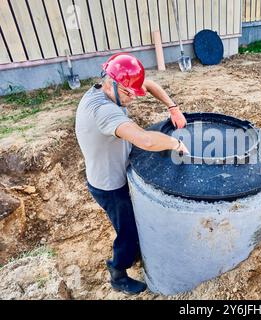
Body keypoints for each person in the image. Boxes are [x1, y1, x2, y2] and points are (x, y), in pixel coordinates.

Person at [75, 53, 189, 294]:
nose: (133, 99)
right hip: (109, 185)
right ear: (111, 83)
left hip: (115, 167)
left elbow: (147, 84)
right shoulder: (103, 112)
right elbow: (145, 140)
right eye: (129, 93)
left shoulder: (109, 86)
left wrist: (173, 108)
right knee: (127, 231)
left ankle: (134, 251)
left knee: (132, 221)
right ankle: (118, 273)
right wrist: (175, 144)